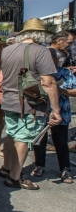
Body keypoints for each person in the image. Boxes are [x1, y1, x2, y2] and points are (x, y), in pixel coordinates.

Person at [0, 18, 60, 190]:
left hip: (9, 99)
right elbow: (48, 83)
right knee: (24, 139)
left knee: (11, 134)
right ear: (40, 34)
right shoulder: (41, 51)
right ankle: (15, 177)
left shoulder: (7, 50)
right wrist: (56, 109)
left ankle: (7, 168)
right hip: (30, 103)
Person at [31, 48, 73, 183]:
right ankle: (39, 165)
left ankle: (65, 169)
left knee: (61, 142)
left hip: (61, 112)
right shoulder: (38, 73)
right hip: (42, 111)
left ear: (56, 60)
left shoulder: (65, 73)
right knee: (40, 141)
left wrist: (57, 89)